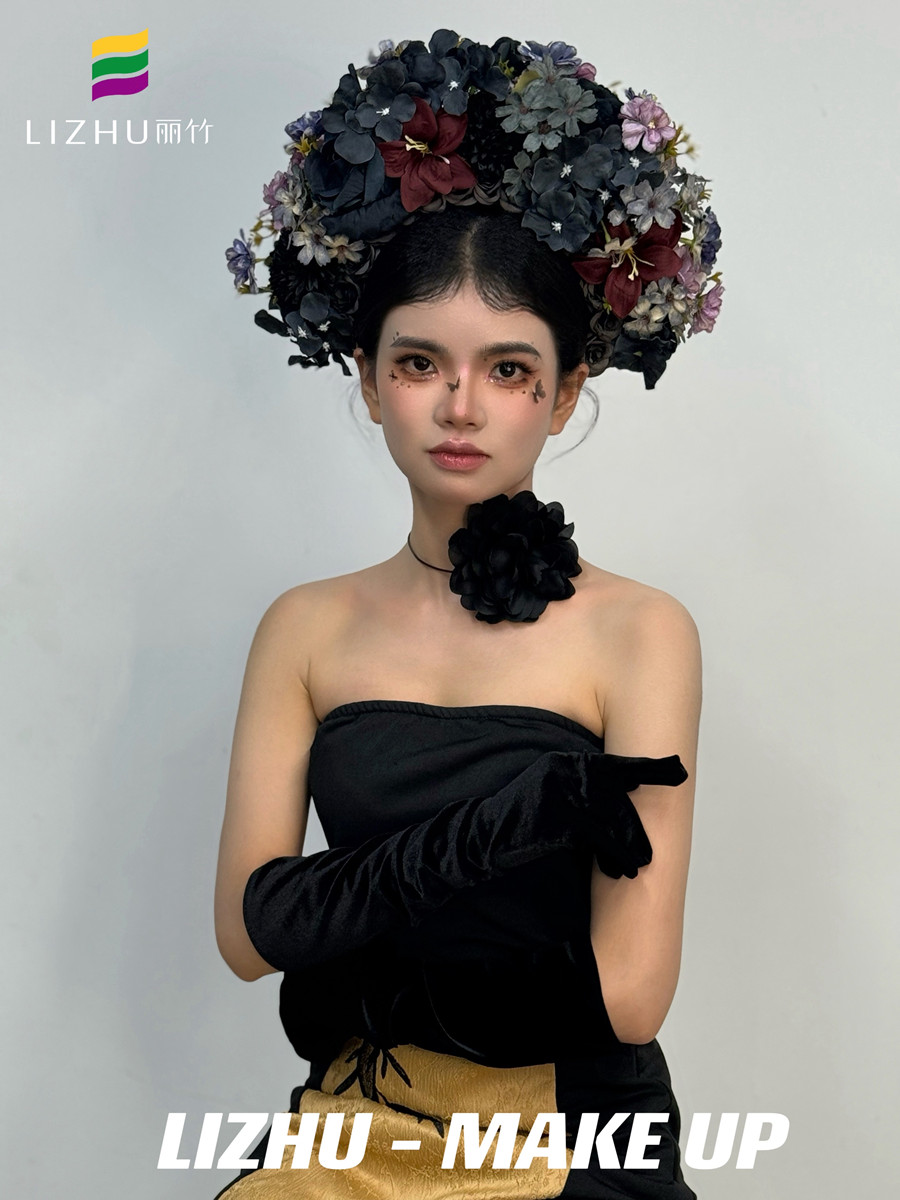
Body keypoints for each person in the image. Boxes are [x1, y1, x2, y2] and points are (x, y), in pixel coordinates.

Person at [215, 30, 721, 1199]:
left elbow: (628, 994)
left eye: (507, 369)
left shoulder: (640, 632)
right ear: (365, 377)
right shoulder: (305, 628)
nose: (459, 405)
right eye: (418, 363)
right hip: (356, 1125)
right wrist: (502, 830)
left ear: (565, 393)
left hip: (572, 1135)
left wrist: (339, 954)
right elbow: (245, 936)